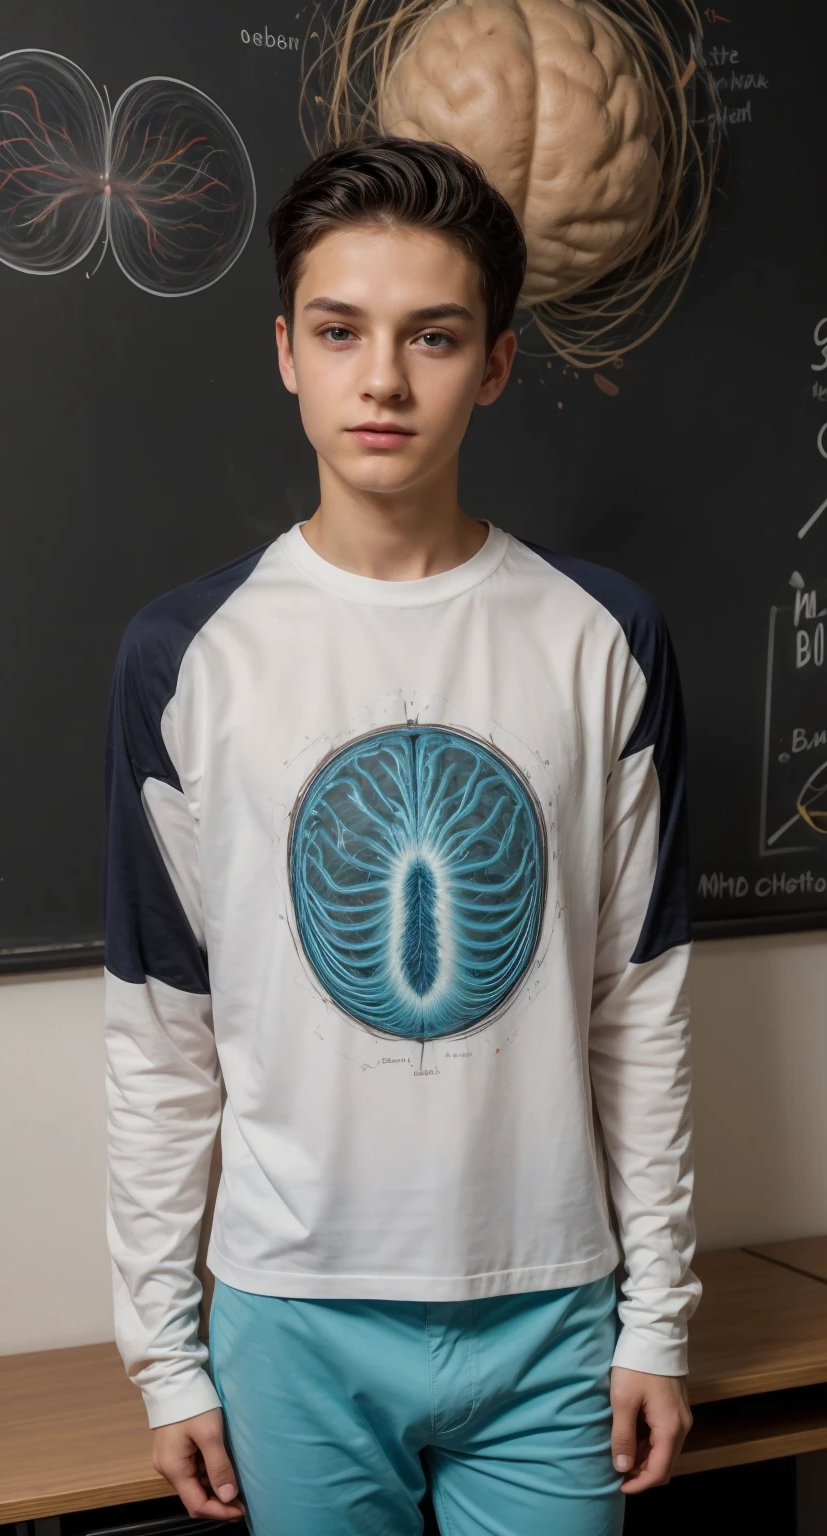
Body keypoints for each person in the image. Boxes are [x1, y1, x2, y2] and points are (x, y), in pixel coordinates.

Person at [103, 135, 699, 1536]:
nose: (383, 380)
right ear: (286, 351)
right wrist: (162, 1351)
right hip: (291, 1313)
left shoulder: (602, 637)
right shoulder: (185, 657)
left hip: (552, 1306)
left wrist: (657, 1315)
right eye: (340, 330)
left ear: (494, 361)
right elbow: (158, 1032)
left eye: (432, 336)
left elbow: (645, 1002)